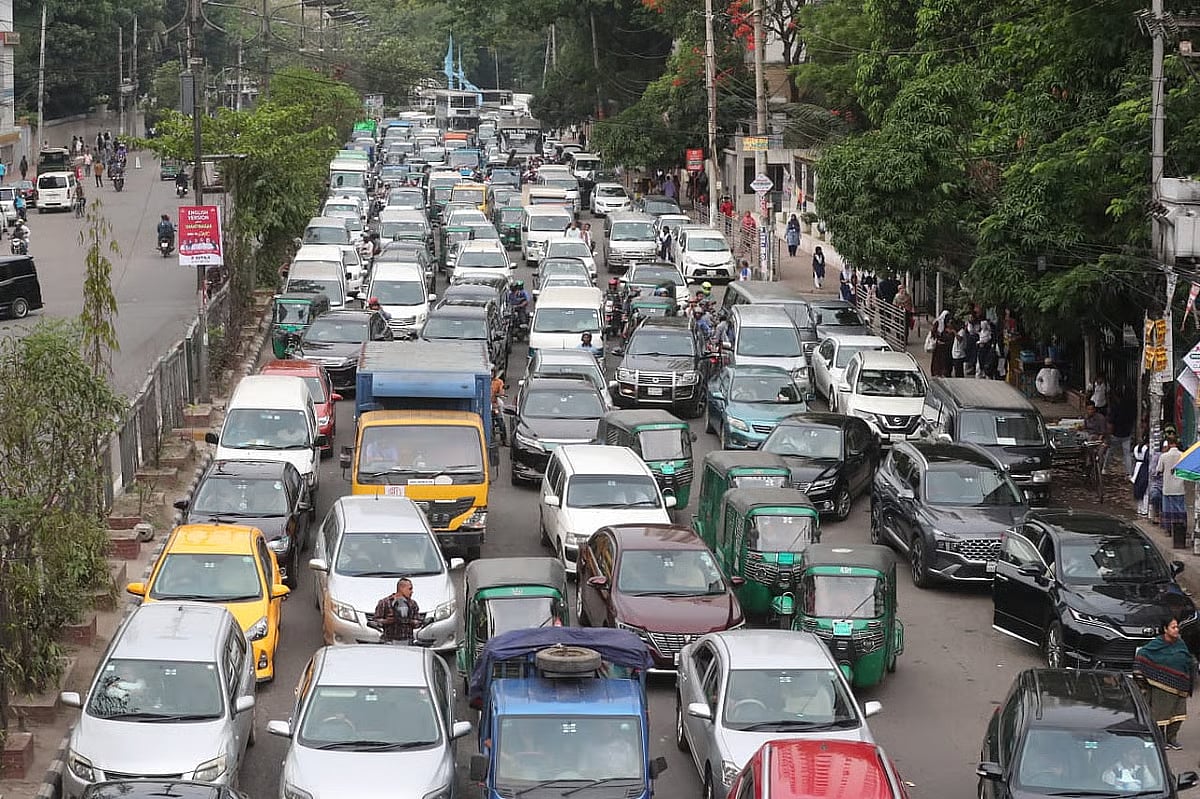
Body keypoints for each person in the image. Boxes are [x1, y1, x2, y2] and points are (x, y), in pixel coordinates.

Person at [1134, 617, 1195, 749]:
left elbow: (1187, 659)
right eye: (1173, 627)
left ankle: (1172, 739)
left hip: (1180, 685)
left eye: (1177, 627)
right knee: (1160, 714)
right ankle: (1160, 738)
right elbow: (1142, 655)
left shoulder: (1180, 643)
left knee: (1179, 713)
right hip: (1160, 686)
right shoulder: (1156, 644)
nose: (1176, 630)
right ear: (1165, 629)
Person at [372, 578, 424, 644]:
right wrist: (387, 621)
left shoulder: (413, 604)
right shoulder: (385, 602)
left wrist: (410, 621)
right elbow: (376, 621)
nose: (412, 592)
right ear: (402, 588)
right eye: (410, 589)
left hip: (408, 641)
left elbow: (418, 623)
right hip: (389, 641)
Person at [1157, 437, 1186, 543]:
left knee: (1168, 510)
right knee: (1180, 509)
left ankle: (1168, 529)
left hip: (1168, 487)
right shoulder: (1182, 455)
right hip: (1179, 487)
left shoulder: (1164, 456)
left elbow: (1159, 469)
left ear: (1168, 444)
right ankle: (1181, 528)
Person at [929, 311, 952, 377]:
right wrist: (937, 338)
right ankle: (936, 372)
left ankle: (943, 372)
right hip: (938, 345)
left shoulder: (946, 323)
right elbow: (933, 332)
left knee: (944, 360)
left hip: (944, 346)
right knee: (937, 360)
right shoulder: (937, 322)